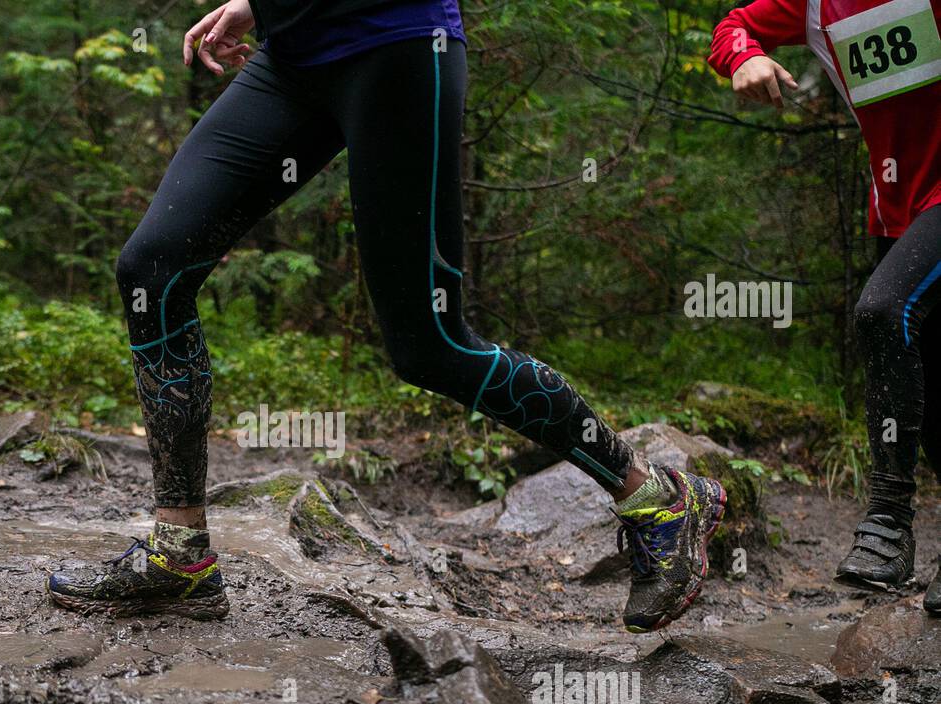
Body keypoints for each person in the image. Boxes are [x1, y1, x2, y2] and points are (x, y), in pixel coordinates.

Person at [49, 0, 727, 631]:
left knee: (429, 345)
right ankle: (181, 555)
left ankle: (657, 497)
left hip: (397, 45)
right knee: (154, 268)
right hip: (293, 57)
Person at [709, 0, 941, 608]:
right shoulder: (815, 4)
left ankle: (889, 521)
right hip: (902, 202)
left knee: (884, 312)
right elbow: (733, 26)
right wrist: (744, 56)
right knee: (923, 367)